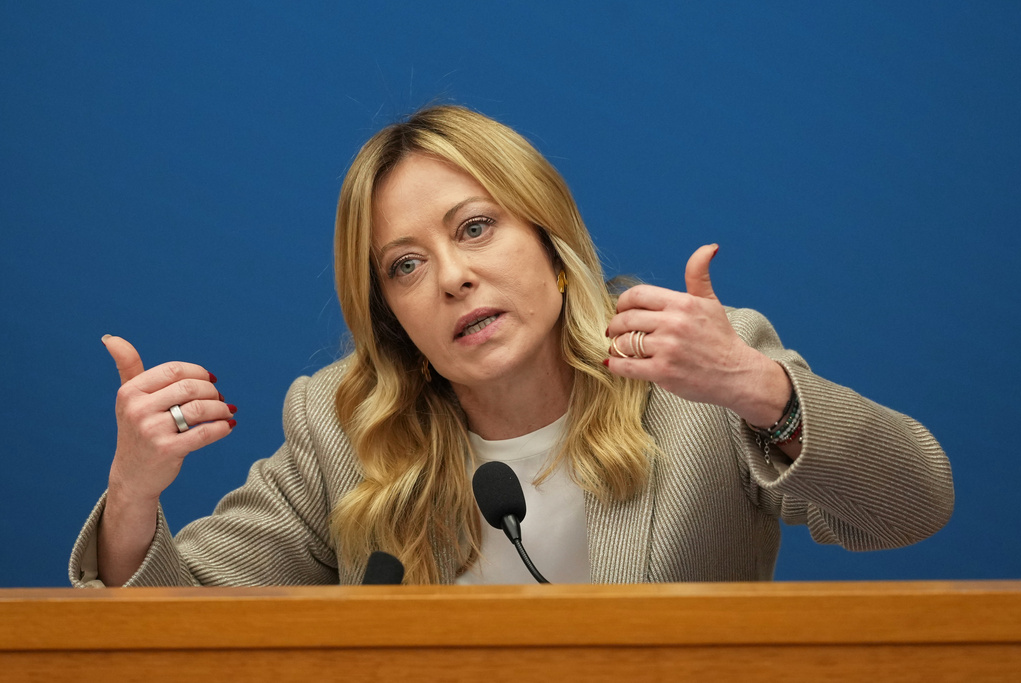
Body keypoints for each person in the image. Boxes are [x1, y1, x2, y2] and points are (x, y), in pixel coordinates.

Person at [70, 105, 953, 587]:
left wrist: (762, 390)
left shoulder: (699, 378)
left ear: (553, 247)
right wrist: (132, 496)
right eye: (406, 265)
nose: (452, 277)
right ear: (392, 320)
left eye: (478, 227)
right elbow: (178, 629)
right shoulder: (340, 429)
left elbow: (912, 504)